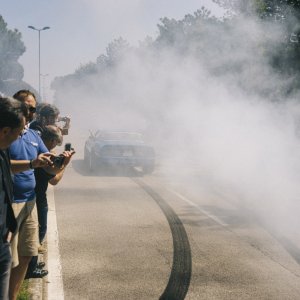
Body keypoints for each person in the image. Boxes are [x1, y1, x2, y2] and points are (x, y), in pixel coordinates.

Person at [8, 90, 54, 300]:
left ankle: (12, 296)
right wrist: (31, 163)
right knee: (7, 258)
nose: (31, 112)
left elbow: (49, 166)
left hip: (29, 202)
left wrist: (61, 161)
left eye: (33, 108)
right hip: (8, 203)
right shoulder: (6, 132)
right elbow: (3, 165)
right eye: (26, 106)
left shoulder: (33, 135)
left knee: (27, 254)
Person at [26, 125, 75, 278]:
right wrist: (64, 165)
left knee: (36, 231)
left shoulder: (37, 150)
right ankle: (30, 267)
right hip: (37, 197)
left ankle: (31, 262)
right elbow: (54, 180)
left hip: (34, 195)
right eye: (56, 143)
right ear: (52, 140)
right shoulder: (42, 156)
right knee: (38, 231)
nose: (55, 146)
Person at [0, 97, 28, 300]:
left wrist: (8, 229)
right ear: (5, 131)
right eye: (19, 133)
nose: (20, 138)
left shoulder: (2, 154)